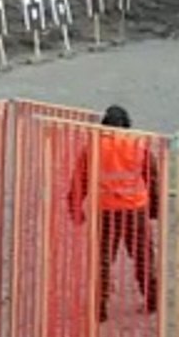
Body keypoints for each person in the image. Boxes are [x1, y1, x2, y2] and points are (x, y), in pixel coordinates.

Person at [66, 105, 159, 321]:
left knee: (103, 260)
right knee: (143, 257)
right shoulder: (138, 144)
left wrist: (76, 208)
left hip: (107, 211)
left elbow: (80, 179)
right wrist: (154, 209)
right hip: (135, 210)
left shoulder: (93, 148)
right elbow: (152, 178)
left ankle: (100, 307)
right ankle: (152, 299)